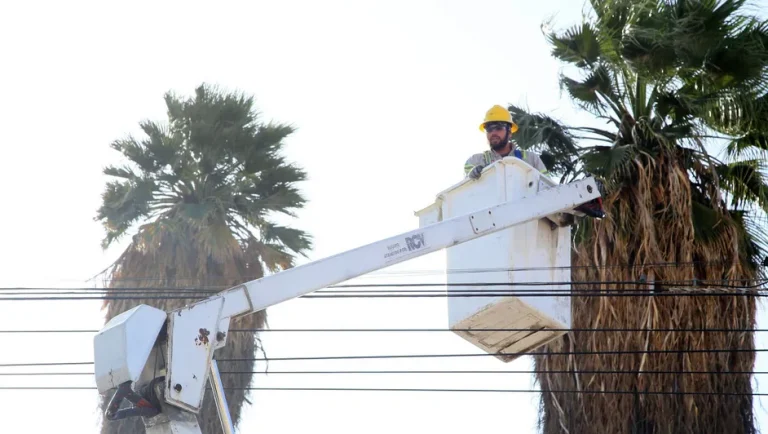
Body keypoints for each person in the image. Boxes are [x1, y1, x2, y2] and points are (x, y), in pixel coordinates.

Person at [464, 105, 548, 179]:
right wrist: (471, 176)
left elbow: (547, 186)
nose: (493, 133)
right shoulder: (475, 161)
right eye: (489, 129)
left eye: (498, 128)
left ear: (510, 133)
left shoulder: (531, 159)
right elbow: (465, 189)